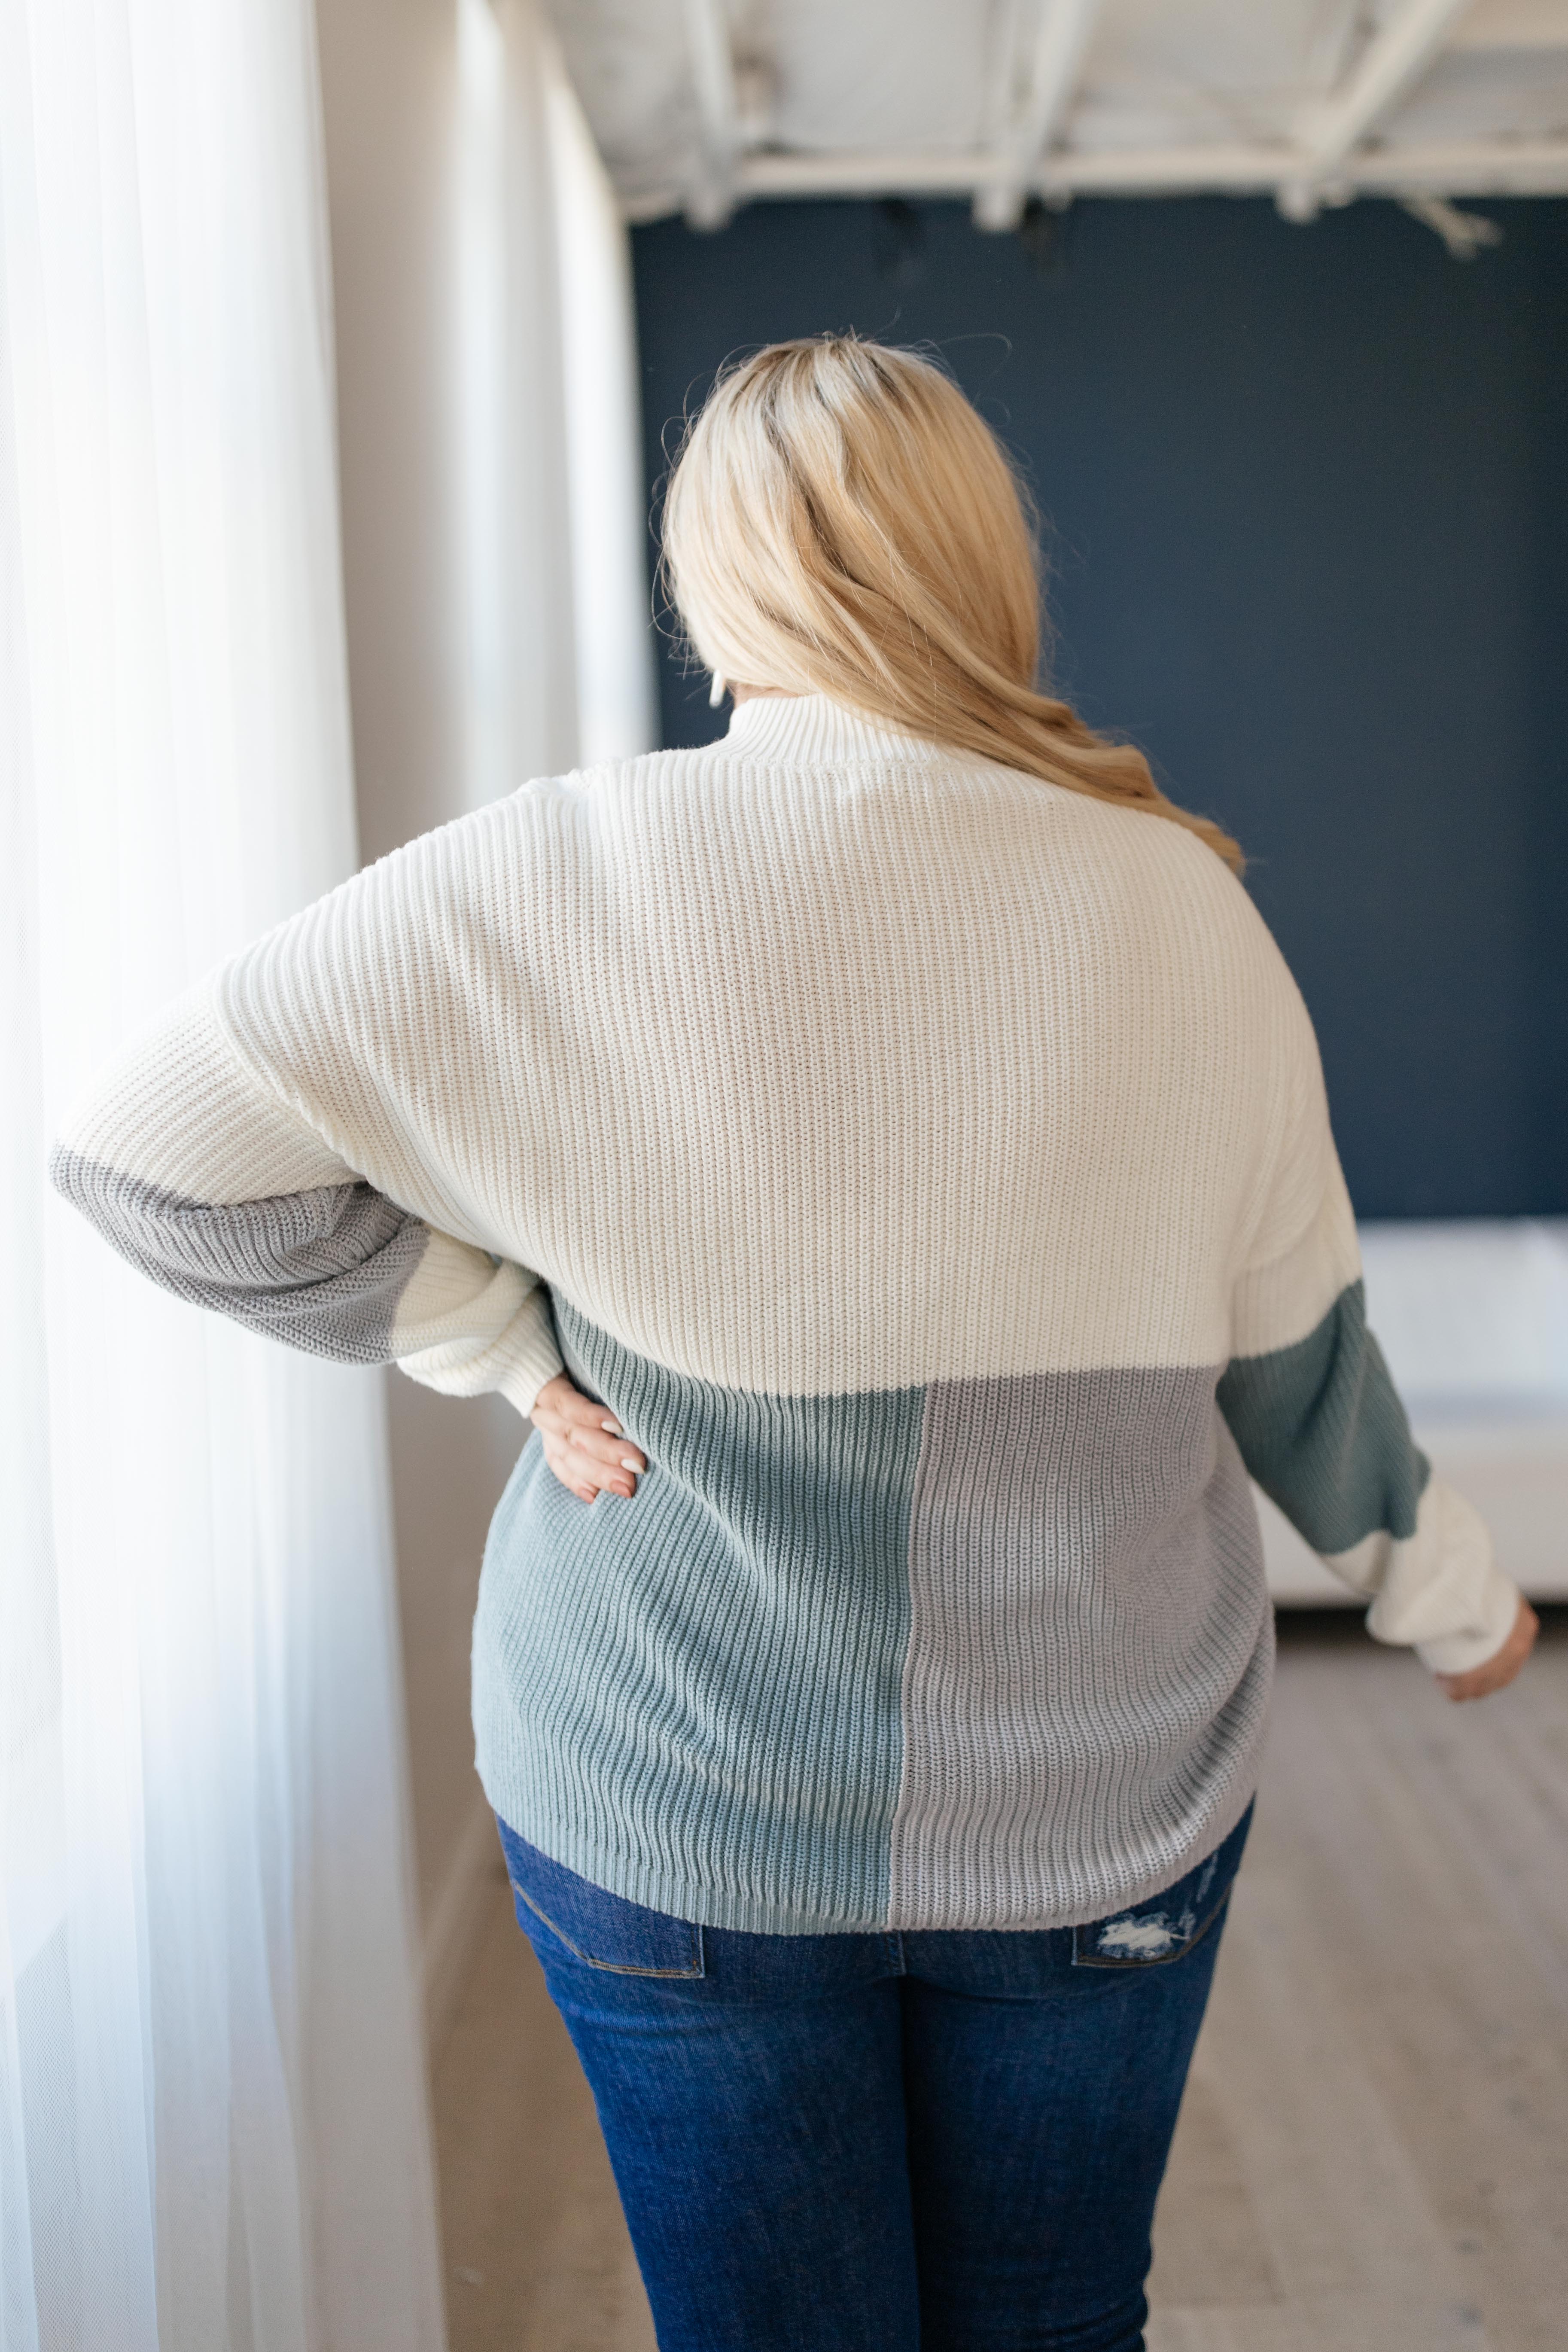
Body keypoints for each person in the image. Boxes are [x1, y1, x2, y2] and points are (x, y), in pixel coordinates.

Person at [51, 335, 1536, 2352]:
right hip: (1097, 1810)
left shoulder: (556, 868)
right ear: (979, 568)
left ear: (713, 586)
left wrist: (496, 1339)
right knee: (1053, 2322)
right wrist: (1455, 1603)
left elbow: (147, 1153)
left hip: (668, 1789)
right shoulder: (1175, 902)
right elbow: (1303, 1364)